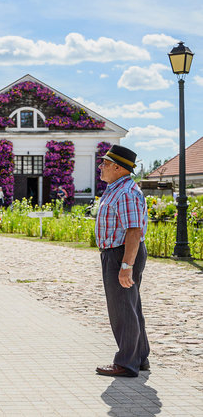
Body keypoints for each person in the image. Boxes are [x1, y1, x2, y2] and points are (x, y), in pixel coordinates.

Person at [94, 144, 149, 378]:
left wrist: (126, 266)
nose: (101, 166)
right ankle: (139, 357)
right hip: (117, 253)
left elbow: (134, 231)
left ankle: (126, 363)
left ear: (117, 167)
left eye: (105, 163)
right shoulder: (116, 188)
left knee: (122, 308)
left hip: (122, 253)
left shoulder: (126, 191)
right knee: (130, 305)